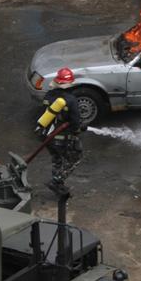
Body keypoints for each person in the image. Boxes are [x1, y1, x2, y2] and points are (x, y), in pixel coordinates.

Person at [35, 68, 84, 196]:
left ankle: (58, 183)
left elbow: (45, 113)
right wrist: (79, 129)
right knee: (75, 157)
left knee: (57, 158)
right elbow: (75, 122)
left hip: (46, 135)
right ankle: (57, 181)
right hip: (62, 137)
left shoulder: (49, 95)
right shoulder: (71, 100)